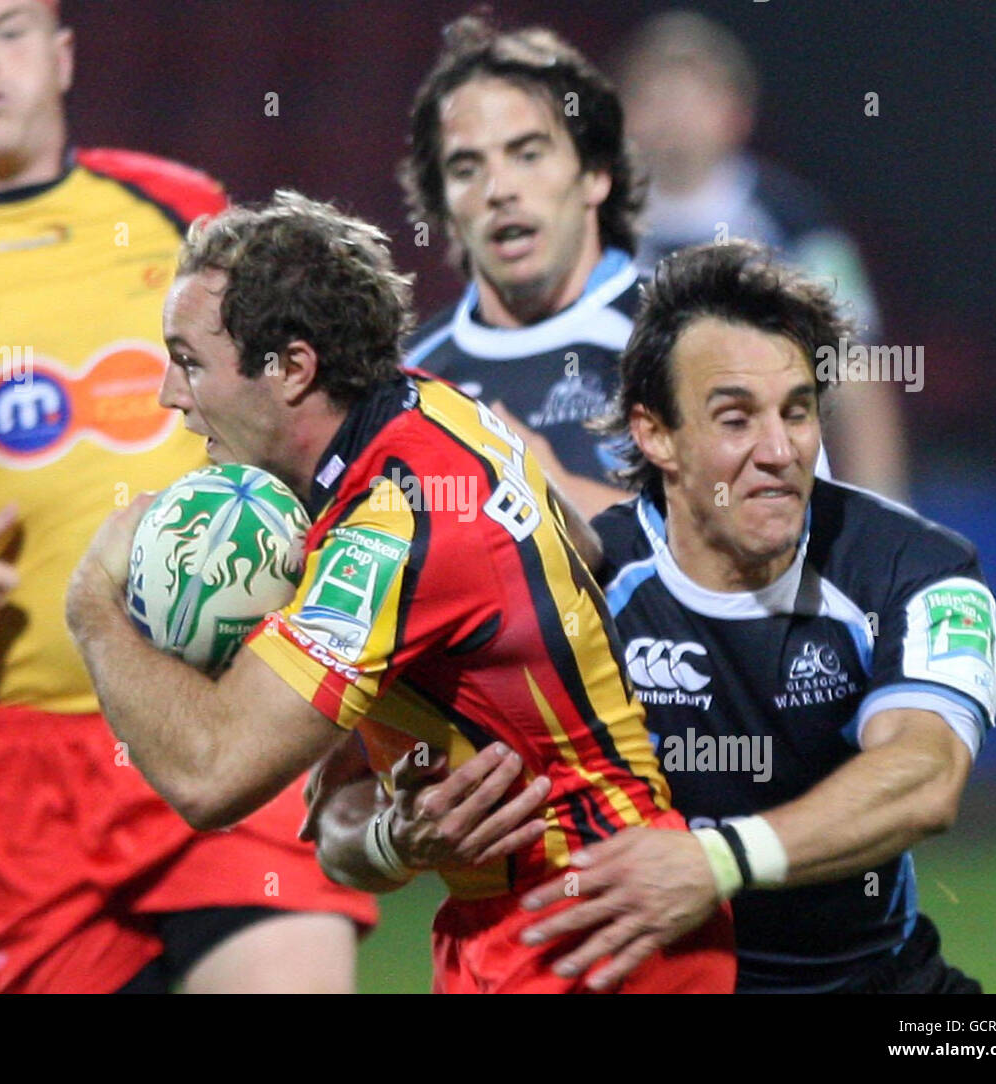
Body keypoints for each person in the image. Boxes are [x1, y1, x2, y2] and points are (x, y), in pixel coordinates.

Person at [0, 0, 373, 994]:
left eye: (9, 30)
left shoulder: (183, 208)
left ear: (60, 57)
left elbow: (312, 403)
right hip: (12, 772)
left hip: (225, 703)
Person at [63, 190, 736, 994]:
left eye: (190, 360)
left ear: (292, 369)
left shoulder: (390, 529)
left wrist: (95, 610)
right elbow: (338, 822)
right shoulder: (427, 411)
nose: (171, 395)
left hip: (598, 928)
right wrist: (397, 839)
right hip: (533, 923)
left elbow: (212, 776)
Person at [517, 241, 996, 993]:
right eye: (736, 418)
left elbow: (926, 776)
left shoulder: (915, 569)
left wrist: (716, 862)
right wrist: (390, 836)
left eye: (797, 412)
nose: (779, 449)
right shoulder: (580, 584)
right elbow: (368, 819)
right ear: (656, 435)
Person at [614, 9, 909, 500]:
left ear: (737, 114)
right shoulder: (592, 221)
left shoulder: (797, 221)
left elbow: (859, 372)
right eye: (657, 96)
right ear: (625, 111)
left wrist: (886, 521)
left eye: (694, 97)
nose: (675, 116)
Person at [399, 15, 645, 522]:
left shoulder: (682, 340)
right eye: (466, 169)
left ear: (596, 175)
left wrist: (542, 489)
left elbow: (738, 545)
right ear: (442, 205)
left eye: (528, 154)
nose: (499, 190)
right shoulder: (408, 380)